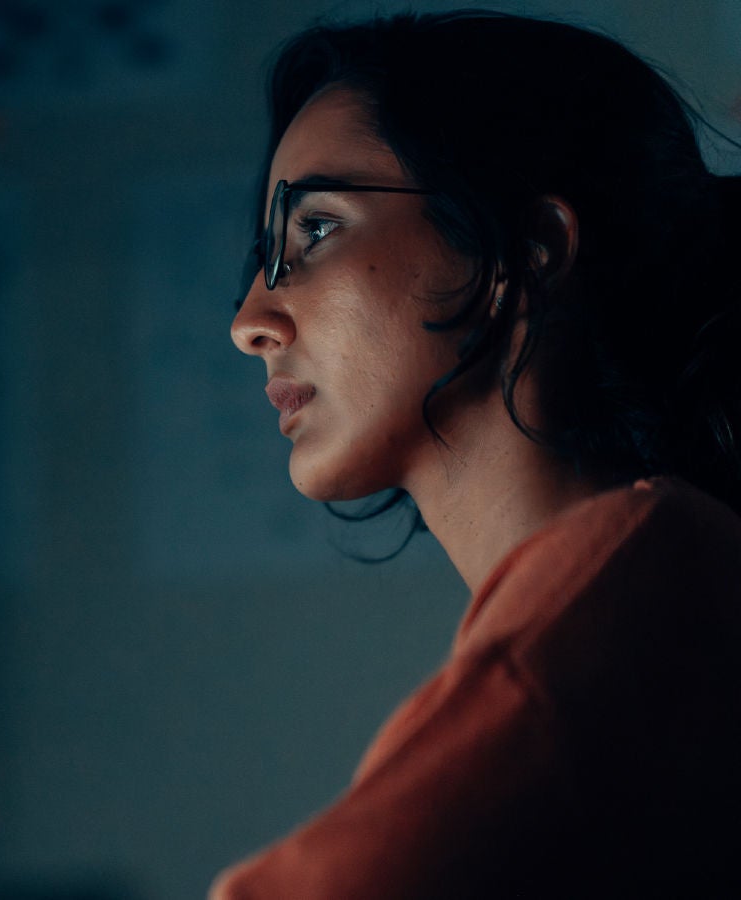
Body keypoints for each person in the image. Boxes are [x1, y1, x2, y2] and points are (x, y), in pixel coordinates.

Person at [217, 10, 741, 898]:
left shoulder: (640, 573)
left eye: (316, 230)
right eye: (270, 253)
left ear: (528, 251)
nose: (250, 323)